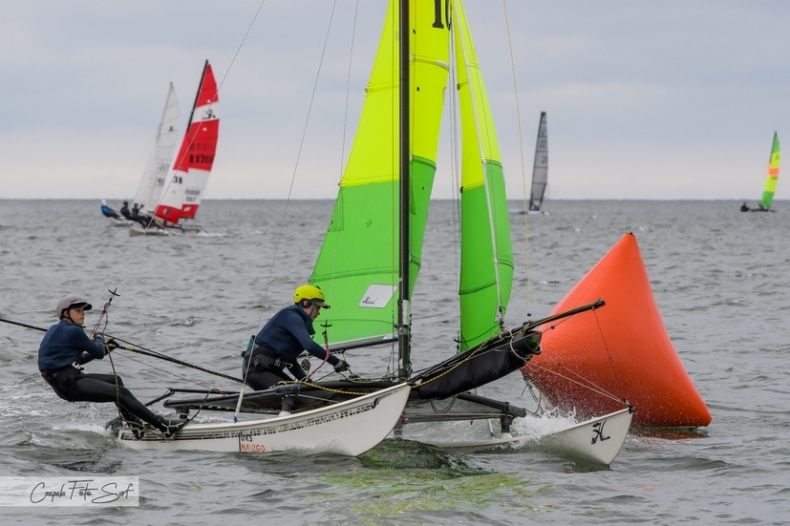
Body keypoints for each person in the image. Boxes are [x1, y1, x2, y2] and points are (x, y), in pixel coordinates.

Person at [38, 295, 187, 437]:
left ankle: (134, 424)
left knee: (115, 380)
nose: (83, 313)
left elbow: (79, 359)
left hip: (65, 381)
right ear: (65, 313)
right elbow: (98, 353)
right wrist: (99, 339)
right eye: (78, 310)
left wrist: (106, 348)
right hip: (68, 383)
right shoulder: (73, 331)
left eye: (83, 310)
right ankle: (163, 426)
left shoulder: (56, 329)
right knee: (121, 393)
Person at [244, 285, 349, 390]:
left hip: (270, 370)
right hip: (257, 369)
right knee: (290, 391)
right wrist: (335, 362)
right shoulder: (292, 316)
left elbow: (290, 361)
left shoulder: (297, 321)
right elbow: (310, 346)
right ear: (305, 303)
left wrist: (307, 382)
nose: (318, 313)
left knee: (304, 392)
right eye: (317, 307)